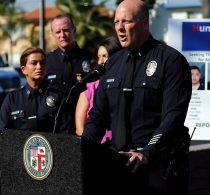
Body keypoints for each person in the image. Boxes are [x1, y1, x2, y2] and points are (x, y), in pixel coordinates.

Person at [82, 0, 192, 194]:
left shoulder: (171, 61)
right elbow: (98, 115)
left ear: (144, 23)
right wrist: (83, 148)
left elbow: (173, 117)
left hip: (155, 169)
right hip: (117, 167)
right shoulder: (113, 63)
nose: (120, 28)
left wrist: (146, 152)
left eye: (126, 21)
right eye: (116, 22)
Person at [45, 14, 92, 134]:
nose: (62, 35)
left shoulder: (89, 58)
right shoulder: (47, 62)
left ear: (74, 30)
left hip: (84, 127)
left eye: (66, 30)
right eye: (58, 32)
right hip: (55, 129)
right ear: (52, 35)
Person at [0, 47, 62, 132]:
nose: (39, 67)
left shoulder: (57, 96)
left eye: (42, 63)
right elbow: (3, 133)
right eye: (34, 63)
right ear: (23, 69)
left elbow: (64, 133)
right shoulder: (12, 99)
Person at [75, 36, 121, 142]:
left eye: (105, 56)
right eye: (98, 56)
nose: (100, 61)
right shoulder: (88, 91)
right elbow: (80, 130)